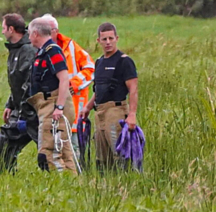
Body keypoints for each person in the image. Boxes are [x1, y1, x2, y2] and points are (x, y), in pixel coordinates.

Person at [80, 22, 139, 171]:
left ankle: (126, 183)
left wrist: (132, 115)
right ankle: (105, 186)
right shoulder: (99, 62)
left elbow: (133, 89)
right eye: (104, 39)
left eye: (111, 38)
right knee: (102, 156)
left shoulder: (124, 61)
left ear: (116, 38)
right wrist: (87, 106)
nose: (108, 42)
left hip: (116, 111)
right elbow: (99, 89)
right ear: (98, 40)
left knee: (118, 153)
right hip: (99, 112)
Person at [26, 18, 80, 174]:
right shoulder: (43, 52)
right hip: (46, 105)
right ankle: (72, 183)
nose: (29, 38)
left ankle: (59, 183)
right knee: (64, 150)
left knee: (50, 150)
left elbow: (64, 79)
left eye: (29, 34)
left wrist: (59, 107)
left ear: (36, 33)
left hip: (53, 106)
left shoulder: (52, 51)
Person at [42, 14, 94, 160]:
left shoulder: (70, 47)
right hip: (49, 111)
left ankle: (78, 180)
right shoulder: (38, 49)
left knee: (74, 149)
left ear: (56, 31)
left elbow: (90, 68)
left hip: (74, 109)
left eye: (47, 30)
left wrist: (74, 83)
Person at [0, 13, 38, 171]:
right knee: (4, 140)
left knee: (46, 148)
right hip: (20, 108)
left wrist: (24, 114)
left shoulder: (28, 51)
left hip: (33, 111)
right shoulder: (15, 50)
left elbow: (29, 83)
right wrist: (10, 105)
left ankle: (57, 176)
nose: (2, 32)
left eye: (3, 28)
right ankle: (6, 176)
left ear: (11, 29)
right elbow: (17, 84)